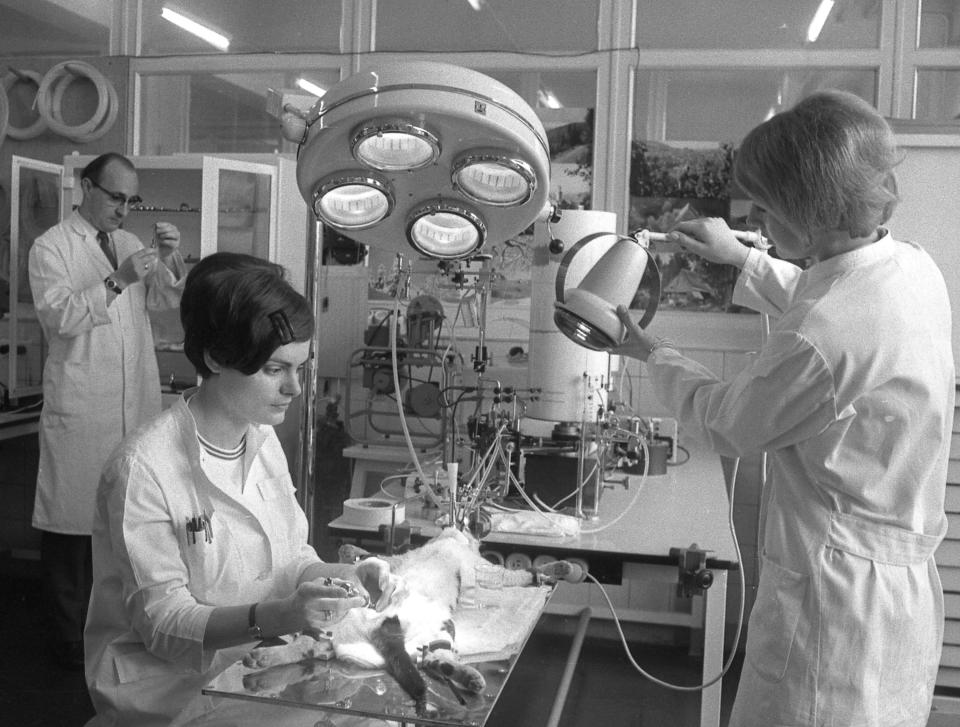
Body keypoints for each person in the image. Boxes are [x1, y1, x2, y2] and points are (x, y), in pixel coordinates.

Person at [614, 90, 954, 726]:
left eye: (766, 208)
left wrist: (647, 349)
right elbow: (826, 297)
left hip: (835, 599)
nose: (760, 223)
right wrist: (741, 256)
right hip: (895, 588)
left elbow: (730, 421)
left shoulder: (825, 334)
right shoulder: (909, 268)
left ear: (812, 209)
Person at [84, 252, 395, 727]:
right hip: (169, 700)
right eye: (274, 369)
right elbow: (165, 624)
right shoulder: (143, 468)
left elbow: (291, 559)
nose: (294, 388)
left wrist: (346, 576)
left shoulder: (261, 436)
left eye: (300, 368)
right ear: (215, 357)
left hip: (254, 677)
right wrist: (284, 617)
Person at [29, 152, 186, 670]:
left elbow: (163, 304)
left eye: (130, 199)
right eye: (116, 196)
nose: (124, 208)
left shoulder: (129, 244)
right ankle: (64, 649)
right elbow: (60, 316)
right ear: (85, 187)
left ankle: (115, 637)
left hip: (130, 402)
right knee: (72, 531)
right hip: (82, 404)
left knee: (124, 527)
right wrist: (116, 280)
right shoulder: (51, 247)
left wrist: (169, 258)